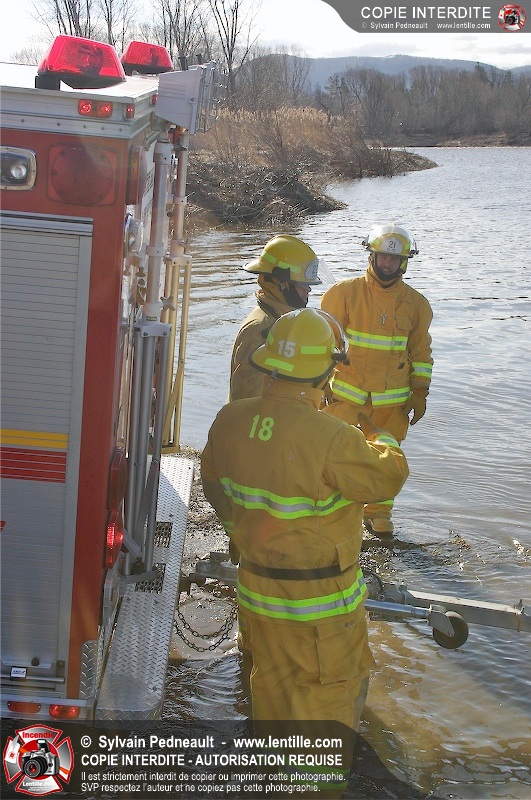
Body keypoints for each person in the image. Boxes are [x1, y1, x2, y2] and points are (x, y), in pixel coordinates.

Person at [201, 308, 409, 794]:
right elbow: (388, 476)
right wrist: (379, 433)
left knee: (272, 704)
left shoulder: (230, 420)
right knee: (322, 726)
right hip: (322, 615)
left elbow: (215, 489)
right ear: (325, 372)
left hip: (258, 600)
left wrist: (243, 537)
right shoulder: (332, 437)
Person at [320, 223, 433, 537]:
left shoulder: (417, 304)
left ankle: (378, 517)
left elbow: (421, 352)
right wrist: (318, 385)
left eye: (394, 259)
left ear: (404, 262)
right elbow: (322, 343)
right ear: (371, 256)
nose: (387, 263)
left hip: (391, 405)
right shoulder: (343, 293)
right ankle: (334, 516)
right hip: (345, 398)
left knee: (385, 461)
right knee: (332, 455)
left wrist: (420, 391)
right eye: (383, 257)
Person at [229, 234, 322, 402]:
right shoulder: (260, 329)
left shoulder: (282, 320)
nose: (308, 290)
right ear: (281, 283)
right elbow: (250, 399)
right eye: (302, 284)